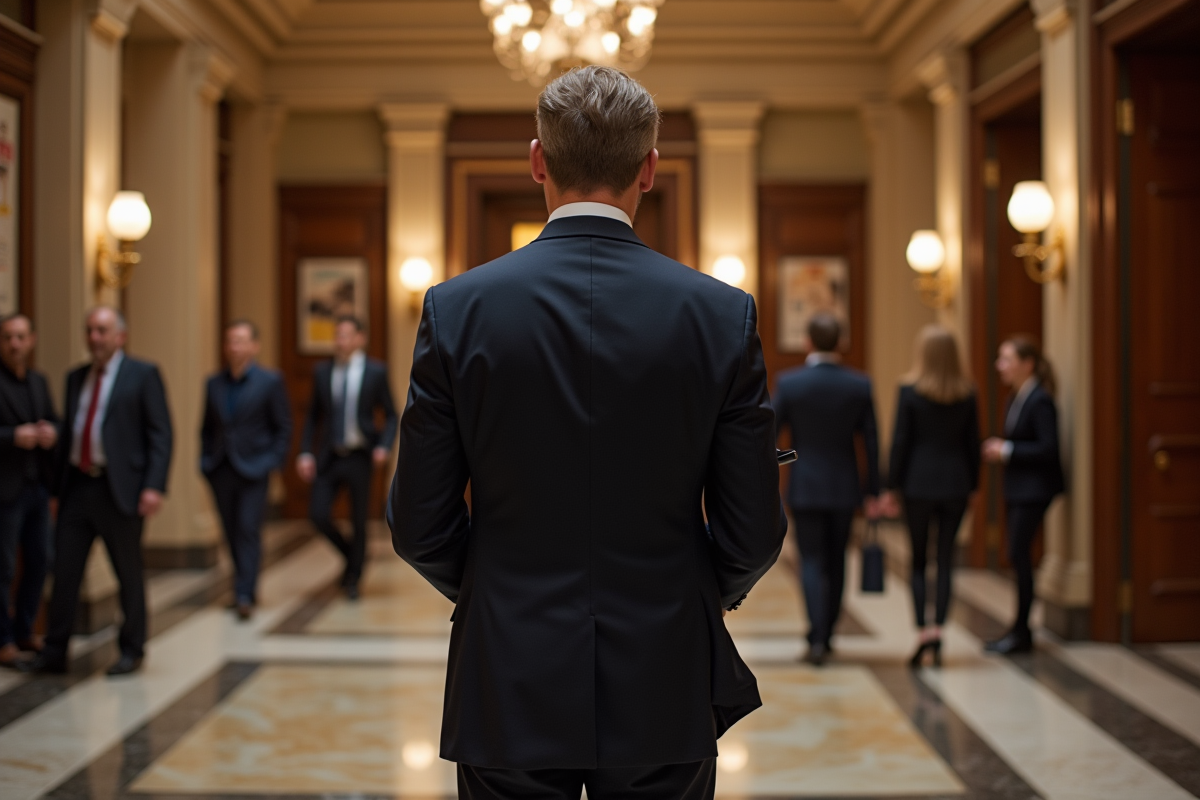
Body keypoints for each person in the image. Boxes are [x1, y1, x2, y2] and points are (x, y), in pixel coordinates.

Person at [389, 66, 785, 800]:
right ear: (650, 169)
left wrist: (497, 584)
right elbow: (752, 531)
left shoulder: (457, 310)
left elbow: (418, 525)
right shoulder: (720, 316)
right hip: (666, 665)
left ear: (538, 160)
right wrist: (687, 590)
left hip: (506, 664)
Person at [25, 307, 173, 676]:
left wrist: (153, 486)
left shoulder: (143, 374)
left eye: (102, 331)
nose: (95, 338)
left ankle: (132, 649)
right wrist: (57, 489)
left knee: (127, 572)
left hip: (120, 489)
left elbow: (161, 434)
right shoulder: (75, 377)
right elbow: (71, 431)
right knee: (65, 572)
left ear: (120, 336)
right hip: (77, 486)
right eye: (90, 330)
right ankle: (55, 650)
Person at [773, 312, 880, 667]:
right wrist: (873, 490)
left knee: (812, 561)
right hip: (845, 485)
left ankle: (815, 633)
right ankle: (829, 633)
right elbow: (872, 442)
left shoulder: (790, 383)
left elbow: (769, 435)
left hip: (805, 484)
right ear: (839, 343)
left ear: (808, 342)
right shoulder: (859, 384)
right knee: (837, 561)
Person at [882, 325, 979, 668]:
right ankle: (939, 630)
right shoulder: (967, 393)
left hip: (917, 484)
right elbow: (973, 445)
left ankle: (923, 632)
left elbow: (899, 441)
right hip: (955, 483)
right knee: (947, 560)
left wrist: (891, 485)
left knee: (920, 560)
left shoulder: (909, 391)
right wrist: (974, 486)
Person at [297, 315, 396, 599]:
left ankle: (353, 578)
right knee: (317, 514)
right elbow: (313, 416)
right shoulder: (322, 371)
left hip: (360, 456)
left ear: (360, 338)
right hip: (329, 455)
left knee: (359, 518)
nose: (340, 341)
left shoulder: (376, 371)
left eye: (346, 335)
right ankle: (353, 555)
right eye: (337, 335)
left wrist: (384, 446)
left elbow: (391, 415)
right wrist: (305, 451)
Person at [201, 320, 291, 620]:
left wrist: (272, 461)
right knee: (229, 531)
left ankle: (244, 594)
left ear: (254, 346)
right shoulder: (214, 383)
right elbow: (206, 428)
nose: (234, 347)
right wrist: (205, 462)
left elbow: (283, 427)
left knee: (248, 529)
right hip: (221, 468)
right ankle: (241, 585)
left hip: (255, 469)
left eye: (240, 340)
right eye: (230, 341)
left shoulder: (270, 381)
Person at [981, 334, 1063, 655]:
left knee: (1019, 554)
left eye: (1006, 359)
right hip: (1018, 488)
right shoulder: (1015, 397)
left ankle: (1022, 630)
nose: (1000, 366)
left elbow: (1048, 448)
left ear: (1027, 364)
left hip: (1034, 490)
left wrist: (1007, 450)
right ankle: (1019, 628)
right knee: (1016, 554)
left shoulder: (1040, 400)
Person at [0, 314, 58, 668]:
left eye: (21, 337)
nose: (15, 344)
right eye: (8, 337)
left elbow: (55, 419)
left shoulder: (39, 381)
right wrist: (12, 437)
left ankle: (25, 630)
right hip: (5, 492)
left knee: (40, 561)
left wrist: (52, 432)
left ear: (32, 340)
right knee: (4, 567)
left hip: (37, 489)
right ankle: (3, 639)